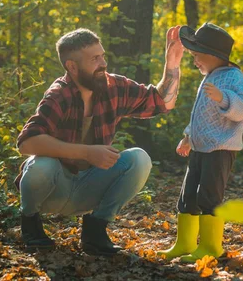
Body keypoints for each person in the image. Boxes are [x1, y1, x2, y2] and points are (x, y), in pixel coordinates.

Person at [15, 26, 184, 256]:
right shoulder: (59, 94)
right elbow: (27, 143)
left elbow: (161, 102)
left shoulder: (112, 86)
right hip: (54, 189)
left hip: (89, 186)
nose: (103, 63)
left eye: (102, 56)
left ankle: (95, 231)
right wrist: (86, 152)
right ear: (72, 67)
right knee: (41, 165)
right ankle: (30, 224)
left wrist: (171, 64)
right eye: (95, 59)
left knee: (138, 159)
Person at [157, 22, 243, 262]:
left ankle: (211, 246)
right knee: (188, 195)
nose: (195, 61)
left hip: (220, 149)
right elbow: (200, 113)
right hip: (199, 147)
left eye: (198, 56)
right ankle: (185, 242)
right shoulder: (210, 75)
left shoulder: (233, 77)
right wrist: (188, 136)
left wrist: (224, 98)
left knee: (209, 196)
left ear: (213, 55)